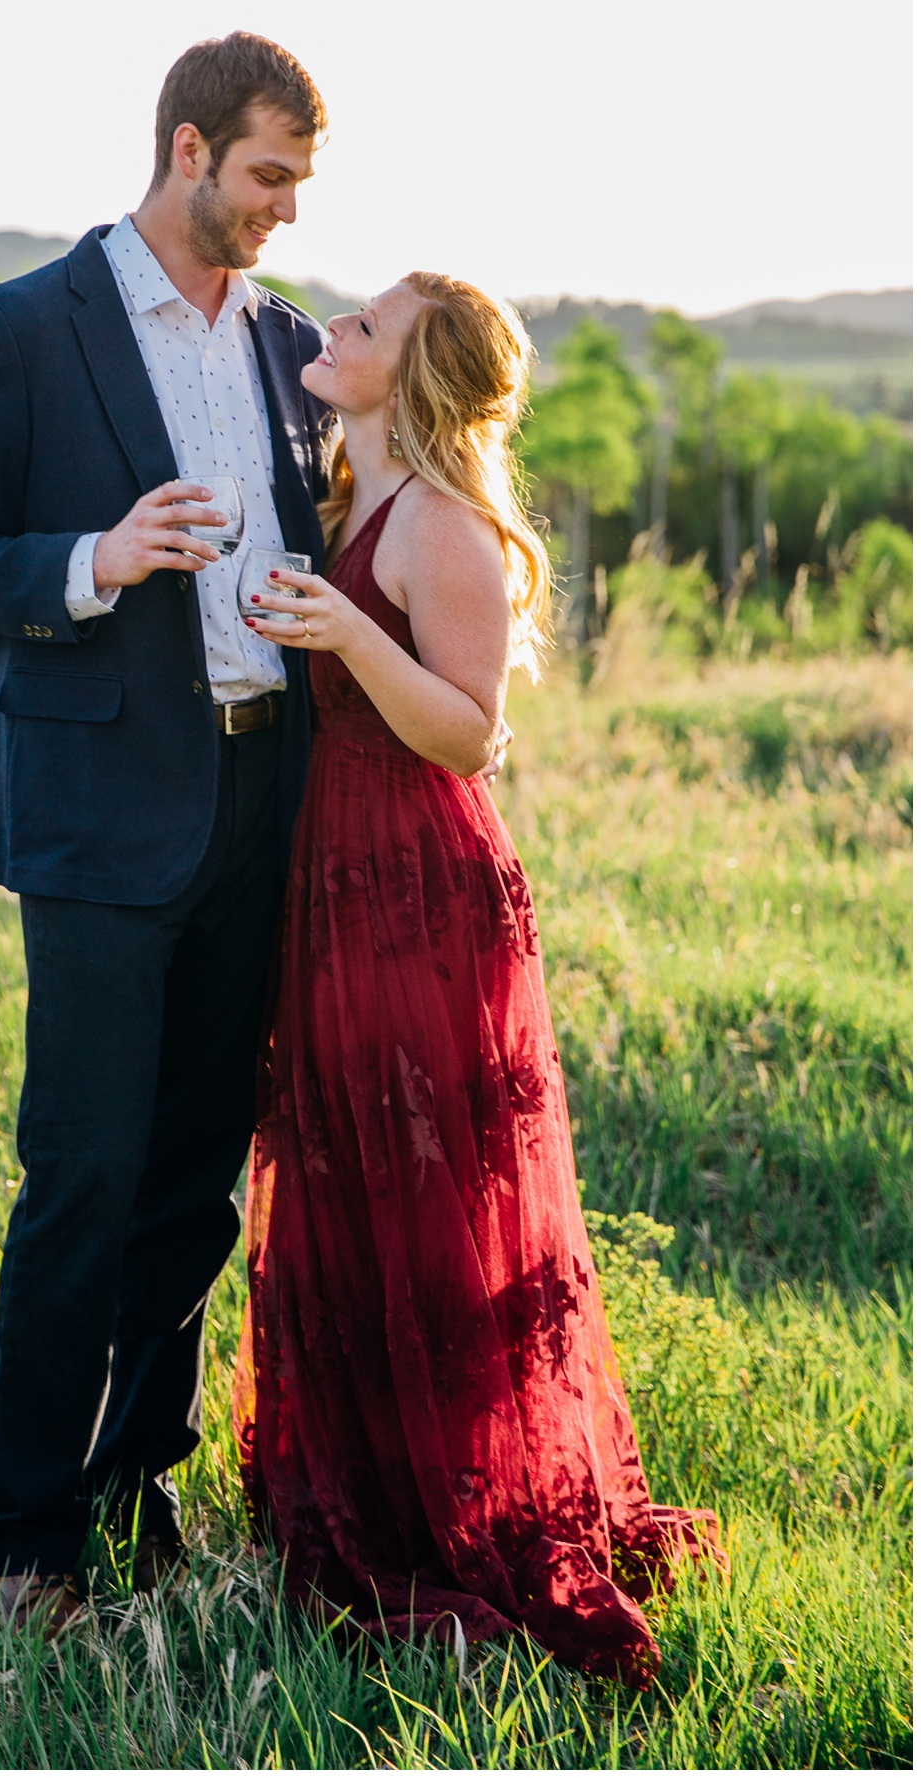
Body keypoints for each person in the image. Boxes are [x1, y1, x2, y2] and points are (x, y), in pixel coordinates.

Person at [0, 32, 335, 1635]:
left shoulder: (292, 347)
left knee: (196, 1185)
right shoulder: (19, 328)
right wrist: (97, 554)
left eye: (302, 181)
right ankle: (29, 1543)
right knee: (80, 1173)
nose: (288, 208)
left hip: (256, 803)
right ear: (190, 145)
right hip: (92, 818)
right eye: (270, 174)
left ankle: (141, 1486)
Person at [235, 272, 726, 1688]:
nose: (337, 332)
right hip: (334, 877)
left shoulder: (443, 530)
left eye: (368, 329)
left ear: (418, 377)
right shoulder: (342, 499)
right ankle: (368, 1479)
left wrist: (344, 636)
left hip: (418, 888)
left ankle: (451, 1500)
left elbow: (464, 734)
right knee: (347, 1169)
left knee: (427, 1183)